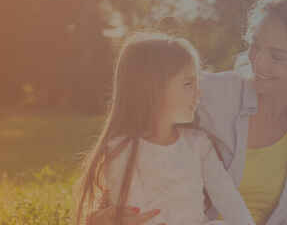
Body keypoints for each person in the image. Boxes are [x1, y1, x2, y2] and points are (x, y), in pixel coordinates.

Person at [85, 0, 287, 225]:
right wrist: (102, 216)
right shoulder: (211, 93)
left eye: (277, 56)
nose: (258, 63)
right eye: (255, 46)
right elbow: (141, 134)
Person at [73, 32, 255, 225]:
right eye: (188, 84)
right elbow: (140, 215)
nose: (198, 92)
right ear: (153, 88)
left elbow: (227, 197)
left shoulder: (197, 143)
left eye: (197, 83)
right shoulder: (121, 149)